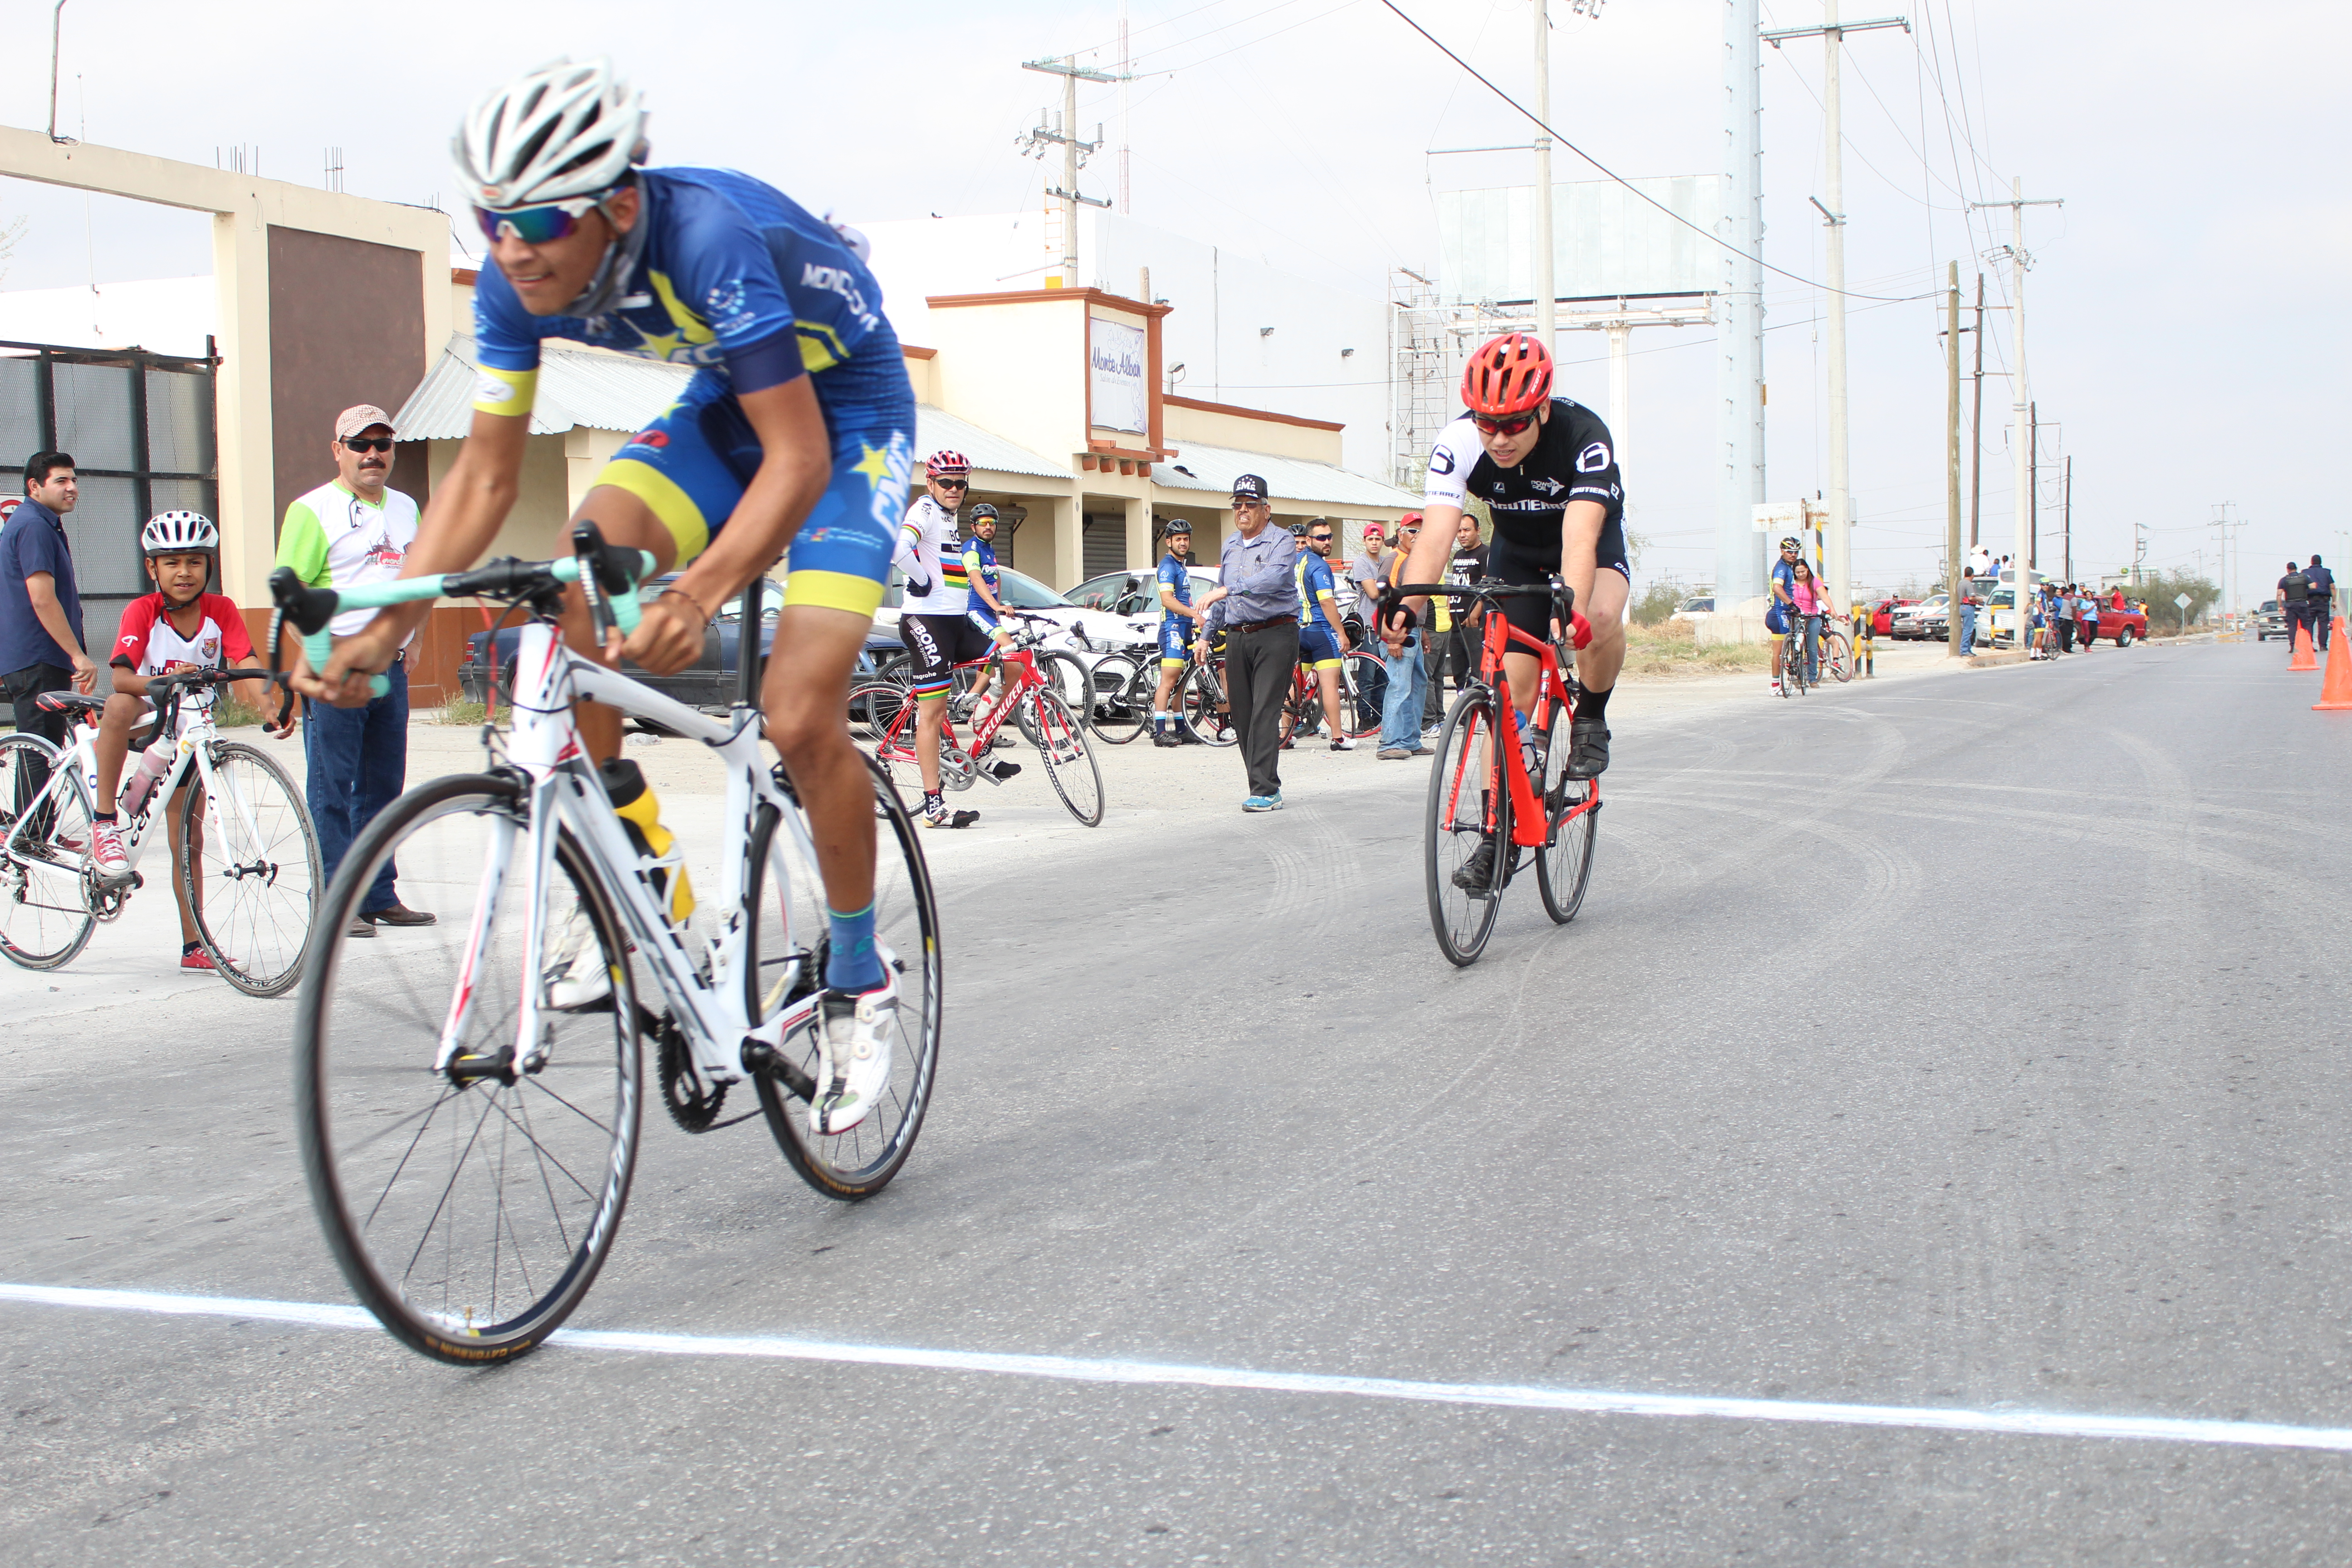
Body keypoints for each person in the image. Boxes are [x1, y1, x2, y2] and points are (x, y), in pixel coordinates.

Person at [297, 59, 916, 1138]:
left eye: (538, 217)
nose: (512, 246)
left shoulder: (707, 238)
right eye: (489, 218)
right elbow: (485, 478)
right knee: (577, 578)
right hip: (730, 407)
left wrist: (707, 587)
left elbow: (801, 456)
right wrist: (379, 627)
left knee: (798, 709)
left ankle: (860, 978)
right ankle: (639, 883)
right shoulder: (509, 280)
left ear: (618, 204)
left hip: (846, 418)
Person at [1388, 333, 1618, 794]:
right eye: (1487, 423)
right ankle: (1497, 834)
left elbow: (1578, 539)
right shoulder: (1458, 442)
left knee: (1599, 614)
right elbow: (1435, 539)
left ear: (1543, 411)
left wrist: (1571, 608)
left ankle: (1591, 716)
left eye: (1513, 424)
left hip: (1586, 542)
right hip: (1517, 551)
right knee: (1510, 696)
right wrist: (1406, 605)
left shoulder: (1584, 437)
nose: (1498, 439)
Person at [88, 512, 295, 968]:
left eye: (195, 562)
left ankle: (193, 945)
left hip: (188, 732)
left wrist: (269, 708)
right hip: (147, 712)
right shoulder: (143, 610)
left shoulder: (221, 610)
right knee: (119, 704)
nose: (184, 572)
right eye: (172, 563)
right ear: (153, 570)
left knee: (190, 840)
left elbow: (245, 660)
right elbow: (122, 676)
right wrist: (162, 684)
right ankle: (105, 820)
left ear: (209, 566)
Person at [274, 405, 432, 938]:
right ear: (337, 449)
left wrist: (416, 641)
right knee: (332, 788)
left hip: (390, 670)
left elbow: (421, 577)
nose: (372, 454)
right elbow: (289, 599)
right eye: (359, 444)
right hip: (336, 668)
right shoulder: (311, 510)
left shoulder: (407, 508)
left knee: (384, 786)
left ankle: (378, 893)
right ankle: (338, 901)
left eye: (382, 444)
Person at [895, 450, 1014, 828]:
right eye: (946, 482)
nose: (954, 489)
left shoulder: (949, 517)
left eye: (961, 483)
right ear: (930, 483)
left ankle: (981, 750)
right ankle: (934, 806)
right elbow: (899, 548)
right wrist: (919, 578)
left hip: (955, 622)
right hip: (926, 622)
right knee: (931, 713)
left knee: (1011, 660)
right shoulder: (926, 511)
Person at [1, 452, 92, 831]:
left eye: (73, 480)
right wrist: (77, 655)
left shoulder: (40, 524)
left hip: (36, 657)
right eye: (61, 481)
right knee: (40, 750)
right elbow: (41, 597)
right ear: (34, 487)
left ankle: (35, 831)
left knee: (43, 748)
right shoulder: (34, 527)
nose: (71, 488)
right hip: (40, 657)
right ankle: (30, 837)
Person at [1196, 474, 1298, 810]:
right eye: (1237, 505)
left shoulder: (1282, 541)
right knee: (1241, 716)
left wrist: (1227, 589)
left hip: (1276, 634)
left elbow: (1275, 578)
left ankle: (1266, 789)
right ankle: (1260, 782)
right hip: (1239, 636)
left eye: (1250, 505)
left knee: (1264, 713)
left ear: (1266, 509)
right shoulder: (1230, 545)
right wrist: (1207, 637)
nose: (1242, 511)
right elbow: (1222, 599)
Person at [1293, 519, 1354, 751]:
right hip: (1320, 630)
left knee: (1296, 685)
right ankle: (1338, 738)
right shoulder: (1319, 566)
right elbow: (1327, 601)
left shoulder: (1297, 561)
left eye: (1329, 537)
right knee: (1330, 685)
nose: (1327, 541)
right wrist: (1341, 633)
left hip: (1300, 631)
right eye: (1321, 538)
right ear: (1308, 540)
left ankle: (1287, 734)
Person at [1375, 514, 1431, 758]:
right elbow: (1384, 599)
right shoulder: (1394, 560)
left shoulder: (1414, 560)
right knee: (1399, 686)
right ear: (1400, 534)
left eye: (1421, 531)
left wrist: (1422, 629)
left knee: (1418, 684)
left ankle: (1410, 740)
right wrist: (1392, 637)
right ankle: (1389, 743)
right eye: (1412, 531)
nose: (1417, 536)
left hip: (1415, 630)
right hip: (1399, 633)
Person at [1150, 519, 1203, 746]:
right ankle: (1160, 731)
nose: (1183, 543)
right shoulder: (1168, 566)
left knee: (1182, 683)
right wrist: (1194, 614)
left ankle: (1182, 729)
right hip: (1172, 626)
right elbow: (1167, 600)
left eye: (1186, 539)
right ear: (1168, 541)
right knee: (1169, 680)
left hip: (1185, 628)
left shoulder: (1181, 565)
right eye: (1178, 539)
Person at [1429, 513, 1487, 716]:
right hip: (1454, 623)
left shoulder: (1485, 554)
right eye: (1459, 531)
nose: (1462, 535)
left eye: (1467, 530)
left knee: (1479, 670)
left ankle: (1483, 713)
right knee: (1459, 672)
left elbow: (1486, 589)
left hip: (1474, 624)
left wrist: (1475, 614)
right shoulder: (1459, 556)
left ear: (1478, 531)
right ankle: (1465, 714)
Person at [956, 503, 1011, 716]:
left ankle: (980, 714)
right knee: (1008, 648)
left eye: (992, 523)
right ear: (973, 527)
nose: (988, 527)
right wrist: (995, 605)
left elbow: (995, 578)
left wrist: (997, 608)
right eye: (982, 523)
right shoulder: (971, 548)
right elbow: (976, 578)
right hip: (975, 610)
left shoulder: (989, 549)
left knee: (995, 658)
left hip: (989, 613)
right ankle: (973, 695)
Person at [1786, 558, 1833, 682]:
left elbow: (1824, 597)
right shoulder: (1791, 583)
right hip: (1796, 618)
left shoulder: (1815, 582)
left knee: (1812, 649)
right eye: (1798, 572)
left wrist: (1832, 609)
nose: (1801, 575)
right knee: (1795, 645)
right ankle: (1795, 672)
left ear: (1807, 570)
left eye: (1803, 571)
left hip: (1812, 618)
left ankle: (1812, 678)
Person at [1767, 537, 1802, 694]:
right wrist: (1791, 604)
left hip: (1786, 612)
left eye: (1796, 552)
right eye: (1789, 552)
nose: (1793, 555)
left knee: (1794, 641)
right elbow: (1777, 588)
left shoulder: (1790, 567)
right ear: (1782, 551)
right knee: (1779, 653)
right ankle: (1775, 686)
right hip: (1779, 612)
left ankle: (1792, 665)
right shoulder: (1782, 568)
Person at [2279, 559, 2316, 654]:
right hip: (2303, 604)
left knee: (2292, 626)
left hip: (2290, 605)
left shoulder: (2284, 580)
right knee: (2307, 625)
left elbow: (2279, 594)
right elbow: (2313, 587)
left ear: (2288, 570)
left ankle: (2293, 646)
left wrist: (2280, 606)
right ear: (2296, 569)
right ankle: (2309, 645)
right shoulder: (2304, 577)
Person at [2308, 555, 2336, 649]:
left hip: (2310, 601)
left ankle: (2309, 645)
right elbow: (2332, 587)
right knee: (2323, 623)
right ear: (2321, 562)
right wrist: (2334, 601)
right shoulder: (2326, 573)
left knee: (2309, 623)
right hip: (2324, 601)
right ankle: (2323, 646)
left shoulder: (2305, 573)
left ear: (2312, 562)